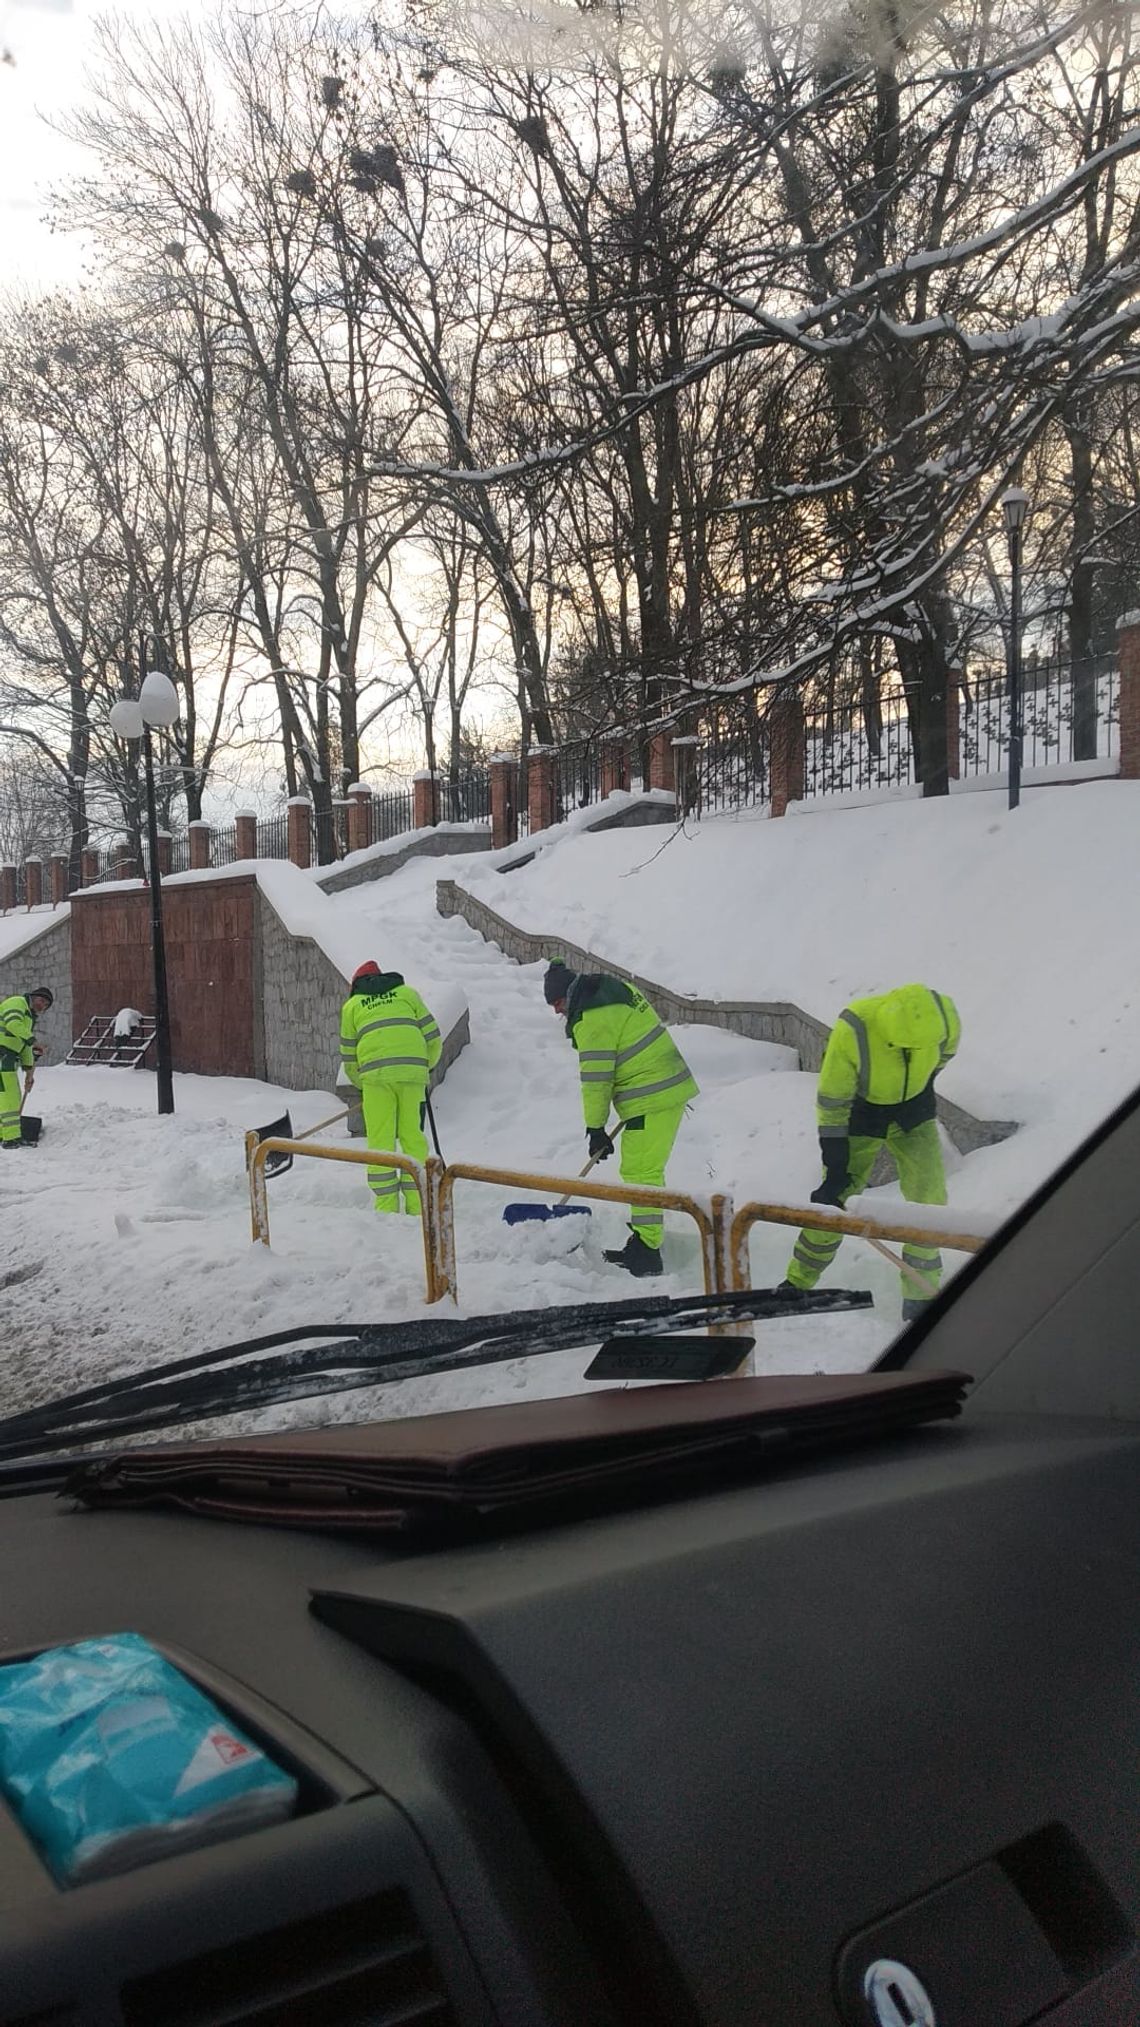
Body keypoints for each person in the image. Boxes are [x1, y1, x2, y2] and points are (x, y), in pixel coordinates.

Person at [782, 982, 961, 1320]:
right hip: (861, 1114)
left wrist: (920, 1085)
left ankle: (920, 1292)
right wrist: (835, 1165)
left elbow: (944, 1056)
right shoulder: (855, 1028)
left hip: (914, 1113)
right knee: (835, 1199)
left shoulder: (945, 1018)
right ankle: (797, 1283)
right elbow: (832, 1102)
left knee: (930, 1200)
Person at [543, 960, 698, 1277]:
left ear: (567, 996)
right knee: (643, 1170)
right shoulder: (610, 990)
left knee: (642, 1172)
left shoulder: (593, 1019)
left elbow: (597, 1078)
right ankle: (645, 1242)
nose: (557, 1012)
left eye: (557, 1004)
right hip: (658, 1089)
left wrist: (595, 1127)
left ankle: (647, 1252)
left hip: (652, 1095)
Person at [339, 961, 441, 1215]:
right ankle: (418, 1208)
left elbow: (349, 1056)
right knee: (412, 1138)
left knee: (381, 1141)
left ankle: (386, 1210)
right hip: (412, 1076)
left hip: (375, 1078)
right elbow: (433, 1036)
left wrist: (363, 1084)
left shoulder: (352, 1006)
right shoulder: (407, 994)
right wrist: (422, 1067)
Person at [0, 985, 53, 1151]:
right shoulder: (17, 1003)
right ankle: (11, 1139)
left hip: (7, 1058)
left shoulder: (29, 1018)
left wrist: (29, 1071)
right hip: (2, 1056)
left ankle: (5, 1134)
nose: (42, 1005)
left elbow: (24, 1047)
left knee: (6, 1097)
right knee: (10, 1097)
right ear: (33, 996)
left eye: (46, 1005)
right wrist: (34, 1041)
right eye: (41, 1000)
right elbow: (13, 1025)